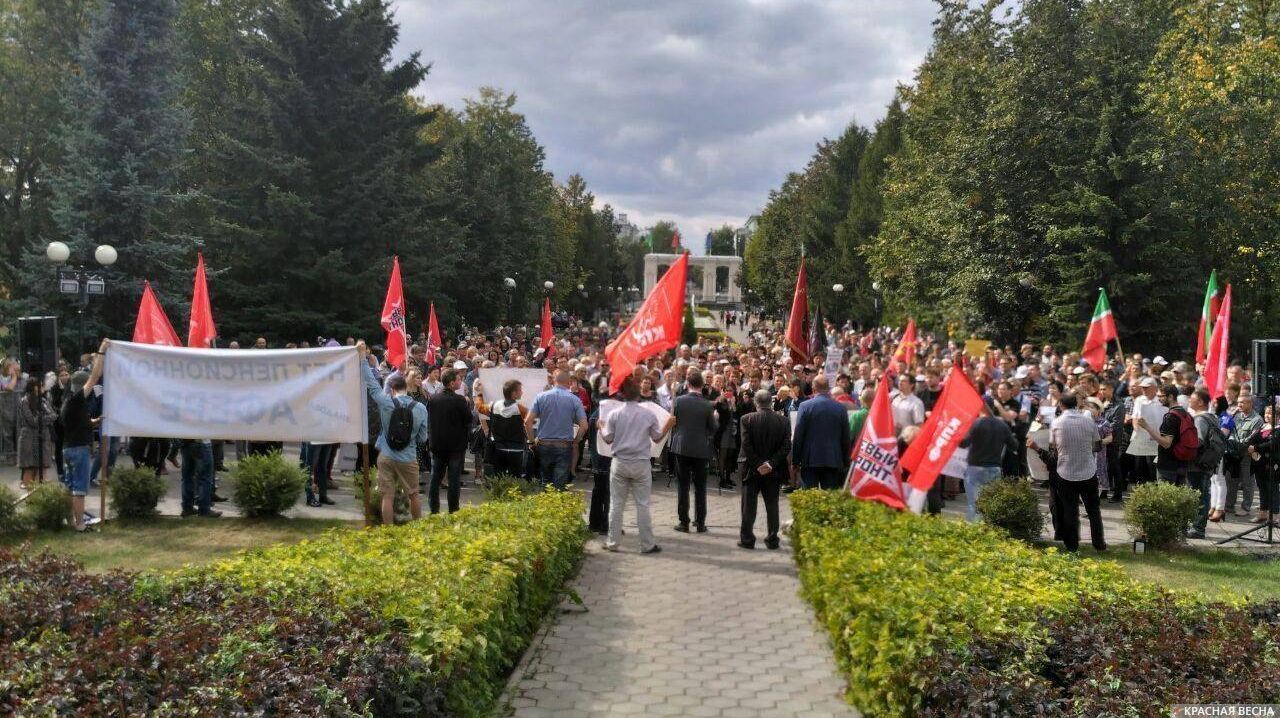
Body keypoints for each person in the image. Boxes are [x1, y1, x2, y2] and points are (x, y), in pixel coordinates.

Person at [599, 376, 674, 554]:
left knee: (616, 504)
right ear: (639, 394)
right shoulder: (648, 413)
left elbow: (608, 439)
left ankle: (612, 542)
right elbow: (656, 437)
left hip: (620, 461)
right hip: (641, 462)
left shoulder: (614, 414)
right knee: (643, 504)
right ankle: (647, 544)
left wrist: (601, 427)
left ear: (623, 394)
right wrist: (668, 426)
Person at [358, 341, 427, 524]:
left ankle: (388, 531)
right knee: (414, 494)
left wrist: (363, 359)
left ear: (392, 389)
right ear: (406, 387)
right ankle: (419, 529)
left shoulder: (386, 402)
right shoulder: (420, 407)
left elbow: (372, 384)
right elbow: (423, 437)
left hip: (386, 455)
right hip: (409, 457)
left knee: (386, 496)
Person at [60, 340, 108, 532]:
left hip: (68, 448)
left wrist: (94, 422)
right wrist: (102, 352)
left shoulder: (68, 402)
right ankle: (80, 524)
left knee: (70, 487)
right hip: (79, 450)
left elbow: (78, 423)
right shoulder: (77, 398)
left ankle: (71, 521)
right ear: (81, 386)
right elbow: (95, 377)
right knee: (79, 490)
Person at [1049, 393, 1105, 552]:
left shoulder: (1056, 422)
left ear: (1061, 405)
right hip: (1088, 470)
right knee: (1094, 510)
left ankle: (1071, 545)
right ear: (1076, 404)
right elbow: (1098, 445)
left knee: (1070, 510)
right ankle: (1099, 543)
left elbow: (1053, 446)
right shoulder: (1088, 421)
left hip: (1066, 471)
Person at [737, 389, 791, 549]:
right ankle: (773, 538)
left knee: (748, 505)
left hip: (751, 469)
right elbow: (786, 445)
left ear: (755, 402)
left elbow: (746, 445)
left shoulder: (746, 419)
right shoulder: (784, 421)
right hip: (772, 471)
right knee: (772, 505)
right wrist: (770, 464)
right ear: (771, 402)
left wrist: (758, 464)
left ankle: (747, 538)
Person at [669, 370, 718, 533]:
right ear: (701, 385)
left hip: (681, 447)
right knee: (700, 487)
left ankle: (684, 522)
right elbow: (713, 428)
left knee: (683, 486)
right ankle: (700, 522)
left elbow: (672, 421)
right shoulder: (706, 404)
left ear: (687, 385)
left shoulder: (679, 401)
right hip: (700, 448)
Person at [525, 370, 588, 490]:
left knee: (545, 482)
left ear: (554, 381)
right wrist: (575, 442)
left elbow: (527, 422)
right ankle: (557, 506)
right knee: (560, 484)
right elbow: (584, 426)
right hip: (564, 445)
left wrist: (531, 441)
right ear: (569, 382)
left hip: (544, 444)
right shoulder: (575, 400)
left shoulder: (541, 396)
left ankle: (546, 507)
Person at [791, 375, 852, 489]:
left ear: (813, 389)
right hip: (833, 459)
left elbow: (798, 435)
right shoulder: (840, 408)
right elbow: (845, 438)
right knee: (829, 502)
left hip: (810, 460)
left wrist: (795, 461)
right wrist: (845, 461)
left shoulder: (805, 406)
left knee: (809, 500)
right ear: (828, 389)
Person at [959, 406, 1019, 522]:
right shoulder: (1002, 425)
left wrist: (959, 435)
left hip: (975, 468)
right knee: (990, 504)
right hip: (993, 468)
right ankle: (987, 530)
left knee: (974, 504)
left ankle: (974, 532)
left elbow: (963, 444)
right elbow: (1014, 446)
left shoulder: (976, 423)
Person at [426, 367, 473, 514]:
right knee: (453, 479)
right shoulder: (459, 400)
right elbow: (469, 419)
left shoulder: (434, 398)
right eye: (458, 379)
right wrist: (467, 404)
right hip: (455, 446)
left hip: (438, 444)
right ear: (452, 383)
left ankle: (434, 509)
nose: (461, 381)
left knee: (435, 478)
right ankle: (453, 509)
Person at [17, 381, 56, 489]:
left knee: (42, 469)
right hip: (28, 439)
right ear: (34, 388)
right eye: (40, 385)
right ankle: (29, 501)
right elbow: (32, 421)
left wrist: (41, 418)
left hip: (42, 439)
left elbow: (53, 415)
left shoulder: (43, 401)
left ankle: (39, 500)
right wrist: (44, 418)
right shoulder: (24, 401)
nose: (43, 387)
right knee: (29, 469)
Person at [489, 379, 530, 477]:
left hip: (499, 448)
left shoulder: (494, 405)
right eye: (520, 390)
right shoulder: (521, 409)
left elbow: (480, 407)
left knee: (499, 477)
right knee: (515, 479)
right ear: (514, 393)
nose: (522, 392)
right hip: (516, 449)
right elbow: (532, 419)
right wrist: (531, 441)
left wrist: (479, 394)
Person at [178, 439, 220, 518]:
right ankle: (204, 509)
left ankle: (187, 508)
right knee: (205, 478)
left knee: (187, 477)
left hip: (186, 441)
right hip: (201, 442)